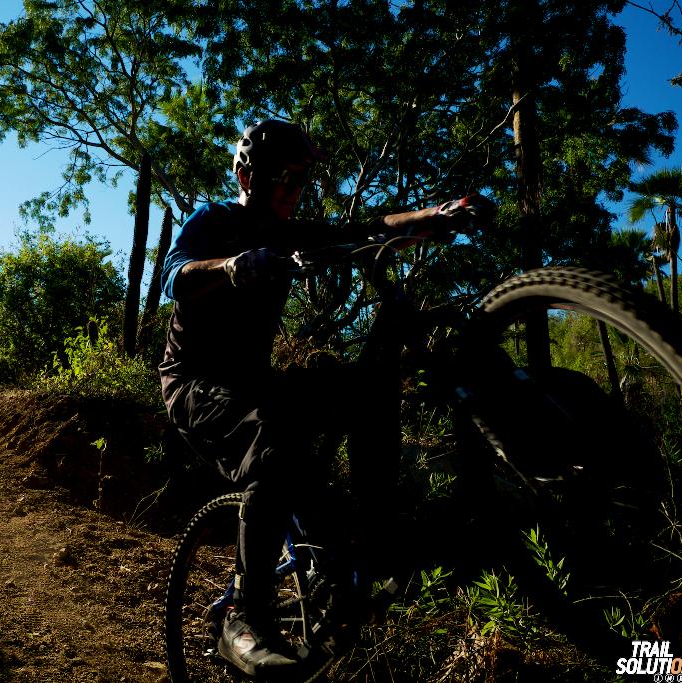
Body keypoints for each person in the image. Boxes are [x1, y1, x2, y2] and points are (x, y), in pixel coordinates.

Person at [159, 119, 490, 677]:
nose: (292, 189)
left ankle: (363, 542)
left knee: (357, 386)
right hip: (193, 383)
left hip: (255, 384)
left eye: (301, 179)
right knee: (270, 441)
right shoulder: (215, 220)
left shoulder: (290, 232)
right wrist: (233, 267)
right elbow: (176, 274)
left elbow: (367, 227)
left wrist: (435, 217)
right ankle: (246, 617)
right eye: (282, 177)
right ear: (247, 175)